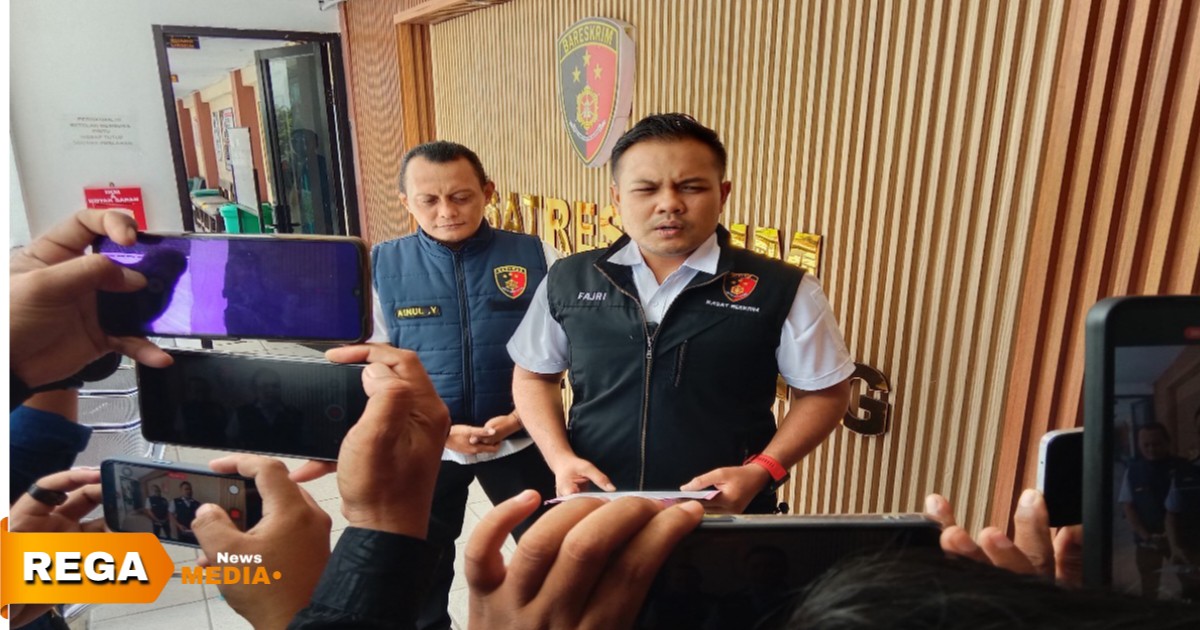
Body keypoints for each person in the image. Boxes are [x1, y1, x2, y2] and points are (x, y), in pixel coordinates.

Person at [508, 113, 854, 514]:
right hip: (596, 505)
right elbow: (534, 376)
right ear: (617, 197)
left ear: (723, 194)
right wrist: (559, 459)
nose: (669, 203)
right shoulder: (568, 279)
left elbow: (825, 393)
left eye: (691, 187)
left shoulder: (783, 288)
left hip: (723, 513)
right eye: (646, 188)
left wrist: (764, 470)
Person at [368, 140, 557, 628]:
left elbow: (565, 351)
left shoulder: (539, 256)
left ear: (487, 192)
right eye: (428, 200)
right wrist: (439, 430)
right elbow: (373, 364)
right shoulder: (381, 267)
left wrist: (521, 416)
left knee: (550, 552)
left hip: (520, 438)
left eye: (461, 196)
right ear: (406, 201)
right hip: (426, 444)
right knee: (421, 563)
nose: (446, 211)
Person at [1117, 422, 1180, 598]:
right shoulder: (1133, 471)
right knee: (1148, 590)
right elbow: (1128, 506)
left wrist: (1171, 536)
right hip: (1147, 542)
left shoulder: (1183, 468)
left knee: (1191, 586)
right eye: (1146, 445)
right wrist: (1146, 535)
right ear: (1139, 444)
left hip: (1180, 542)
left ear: (1167, 442)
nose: (1151, 449)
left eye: (1156, 444)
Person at [234, 368, 304, 454]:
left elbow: (306, 445)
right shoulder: (242, 413)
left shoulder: (295, 415)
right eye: (264, 386)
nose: (270, 390)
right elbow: (230, 442)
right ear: (255, 389)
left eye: (275, 386)